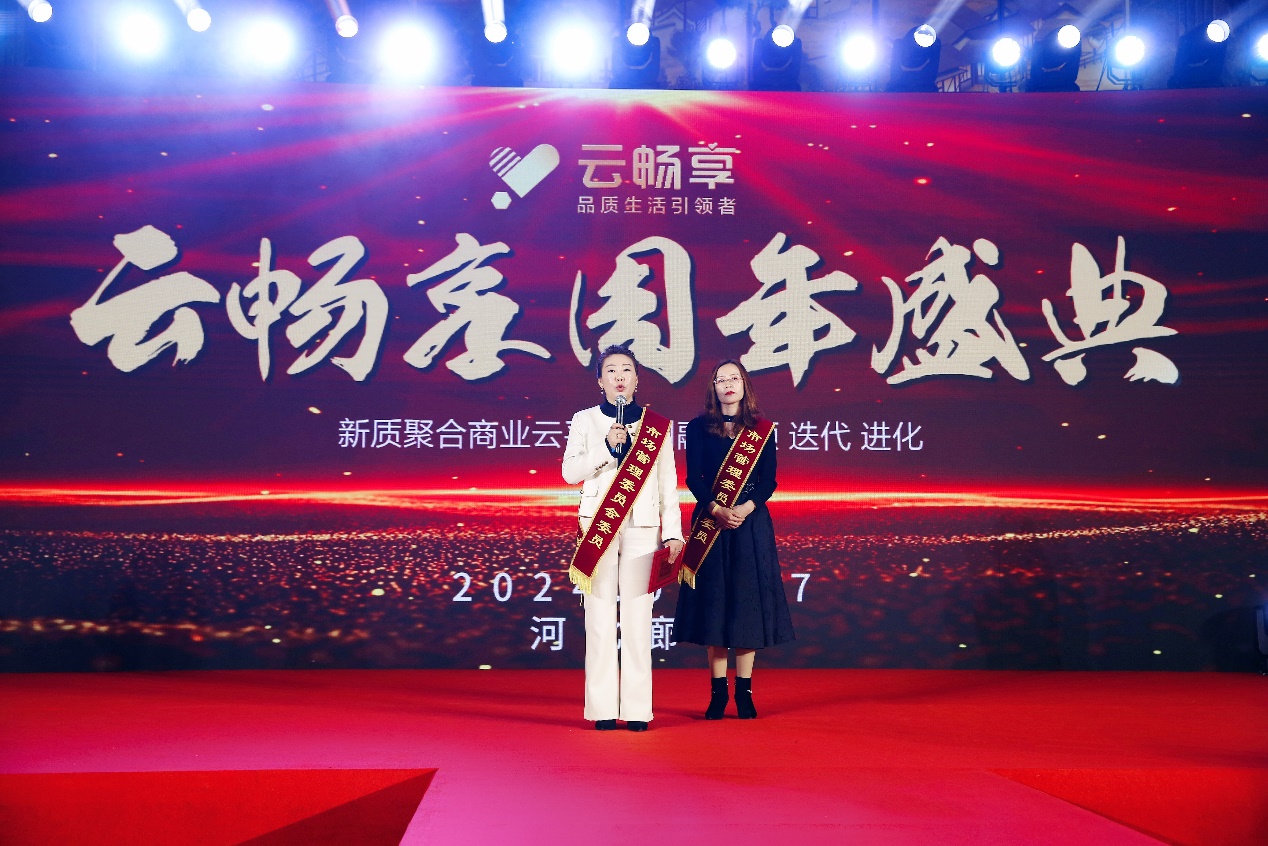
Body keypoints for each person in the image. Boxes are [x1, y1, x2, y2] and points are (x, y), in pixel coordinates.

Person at [562, 346, 684, 732]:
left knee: (638, 619)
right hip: (598, 525)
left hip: (643, 527)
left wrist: (673, 532)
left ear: (636, 379)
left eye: (626, 370)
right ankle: (601, 708)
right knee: (598, 617)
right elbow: (570, 473)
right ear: (600, 381)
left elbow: (667, 483)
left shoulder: (656, 427)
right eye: (611, 370)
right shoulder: (585, 420)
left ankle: (637, 709)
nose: (619, 376)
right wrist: (605, 447)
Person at [674, 359, 794, 720]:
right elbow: (693, 477)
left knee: (746, 605)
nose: (728, 384)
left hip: (749, 525)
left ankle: (744, 691)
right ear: (713, 387)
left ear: (745, 385)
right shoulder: (697, 427)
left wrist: (745, 508)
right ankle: (717, 693)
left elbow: (769, 480)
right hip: (711, 523)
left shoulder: (762, 429)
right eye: (721, 379)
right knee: (715, 605)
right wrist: (715, 509)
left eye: (734, 378)